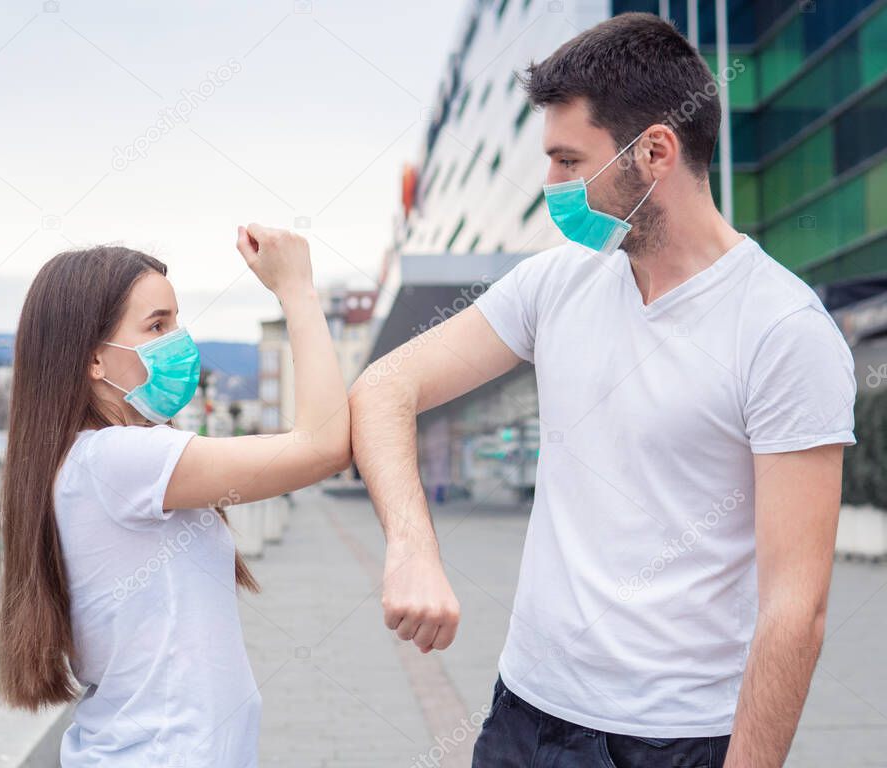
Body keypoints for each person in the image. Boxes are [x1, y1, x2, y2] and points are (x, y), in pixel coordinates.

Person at [348, 13, 856, 768]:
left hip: (673, 740)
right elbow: (385, 386)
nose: (551, 186)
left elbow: (795, 611)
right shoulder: (557, 282)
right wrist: (412, 551)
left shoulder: (783, 329)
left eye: (566, 159)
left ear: (655, 150)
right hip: (524, 714)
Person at [0, 224, 351, 767]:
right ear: (92, 360)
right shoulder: (118, 460)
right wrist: (297, 291)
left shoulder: (99, 459)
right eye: (157, 325)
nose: (180, 342)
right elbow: (322, 445)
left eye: (178, 321)